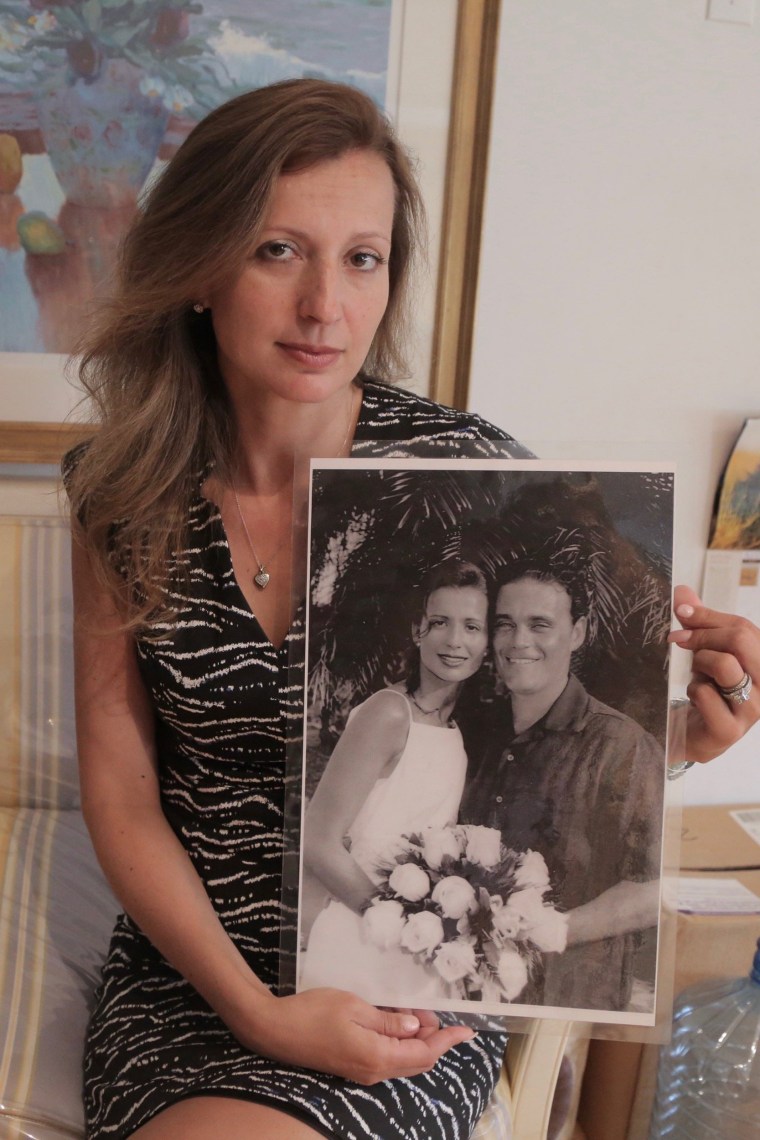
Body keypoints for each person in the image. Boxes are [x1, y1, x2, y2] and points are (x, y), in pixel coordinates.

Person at [63, 76, 758, 1140]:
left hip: (408, 968)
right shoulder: (124, 489)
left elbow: (559, 723)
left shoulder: (467, 470)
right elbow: (120, 791)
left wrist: (691, 731)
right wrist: (260, 1013)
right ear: (201, 266)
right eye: (277, 250)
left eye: (362, 258)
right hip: (197, 981)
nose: (324, 308)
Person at [459, 540, 754, 1012]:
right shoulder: (478, 735)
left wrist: (540, 934)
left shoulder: (621, 745)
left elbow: (649, 886)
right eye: (505, 624)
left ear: (577, 632)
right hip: (466, 989)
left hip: (565, 999)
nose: (518, 642)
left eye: (540, 624)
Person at [301, 559, 489, 1004]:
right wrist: (398, 920)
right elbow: (318, 839)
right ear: (417, 629)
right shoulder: (388, 712)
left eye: (471, 626)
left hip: (417, 951)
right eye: (440, 622)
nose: (454, 641)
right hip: (358, 935)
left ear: (487, 642)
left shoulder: (456, 732)